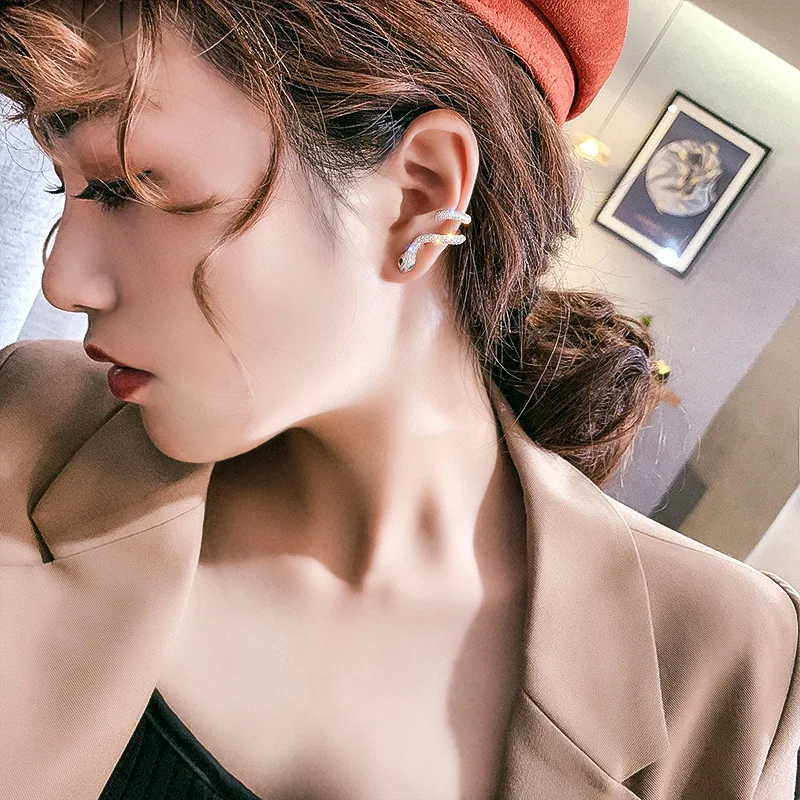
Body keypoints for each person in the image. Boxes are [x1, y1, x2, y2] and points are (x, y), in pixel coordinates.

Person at [0, 1, 798, 798]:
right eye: (64, 182)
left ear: (421, 192)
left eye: (126, 187)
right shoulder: (27, 430)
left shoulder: (731, 671)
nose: (63, 281)